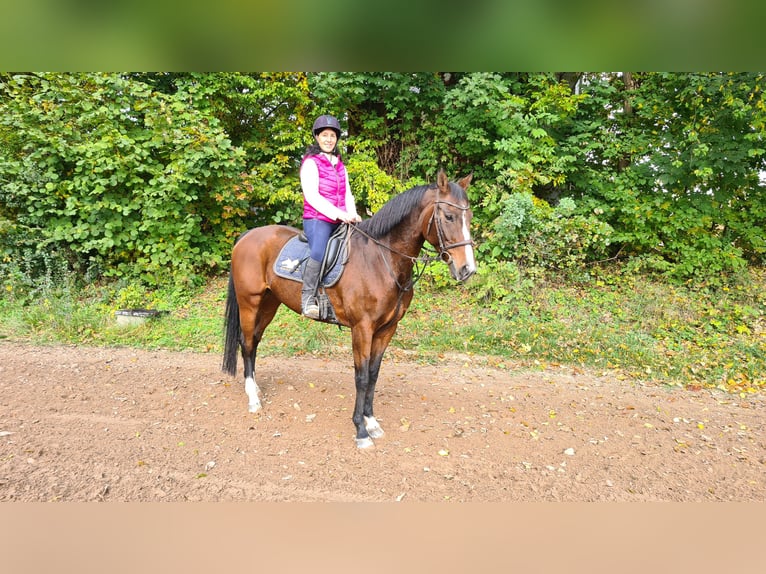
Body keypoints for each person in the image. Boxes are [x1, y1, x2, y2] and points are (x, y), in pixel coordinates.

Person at [300, 114, 361, 319]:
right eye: (324, 135)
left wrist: (352, 214)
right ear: (317, 138)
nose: (329, 139)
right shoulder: (310, 163)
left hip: (341, 218)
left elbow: (347, 194)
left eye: (332, 136)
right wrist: (339, 214)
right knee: (318, 250)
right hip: (317, 219)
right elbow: (312, 196)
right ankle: (308, 298)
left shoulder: (340, 164)